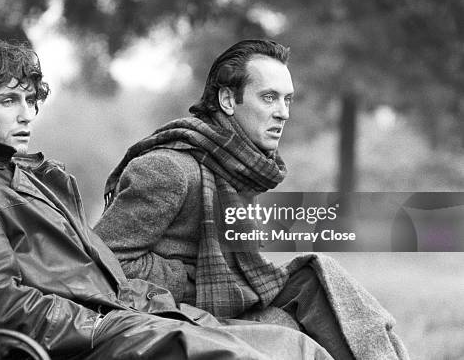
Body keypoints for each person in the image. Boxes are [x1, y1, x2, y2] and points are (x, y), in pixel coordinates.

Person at [0, 41, 335, 360]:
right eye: (9, 101)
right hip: (90, 343)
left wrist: (156, 308)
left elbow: (106, 274)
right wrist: (104, 324)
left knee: (293, 344)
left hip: (126, 322)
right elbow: (4, 312)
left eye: (30, 100)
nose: (26, 114)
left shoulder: (38, 181)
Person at [95, 39, 409, 360]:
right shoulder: (168, 168)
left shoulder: (241, 167)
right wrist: (195, 277)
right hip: (173, 317)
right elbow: (104, 264)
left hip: (225, 303)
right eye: (269, 98)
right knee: (289, 331)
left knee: (321, 280)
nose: (283, 113)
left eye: (287, 100)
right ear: (229, 99)